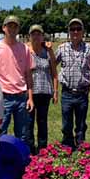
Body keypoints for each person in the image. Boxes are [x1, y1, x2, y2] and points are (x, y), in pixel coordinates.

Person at [0, 15, 34, 142]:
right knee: (0, 131)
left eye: (15, 26)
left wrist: (30, 98)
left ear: (18, 29)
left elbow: (28, 74)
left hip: (22, 97)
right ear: (3, 28)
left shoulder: (24, 49)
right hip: (2, 97)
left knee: (22, 133)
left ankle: (21, 159)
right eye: (9, 26)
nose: (12, 29)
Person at [56, 18, 90, 149]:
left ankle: (80, 145)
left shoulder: (89, 48)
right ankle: (67, 145)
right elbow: (51, 64)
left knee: (81, 123)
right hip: (67, 92)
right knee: (66, 123)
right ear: (68, 32)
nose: (75, 31)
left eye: (78, 29)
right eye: (72, 29)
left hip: (82, 93)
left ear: (83, 31)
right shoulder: (62, 48)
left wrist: (87, 80)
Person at [25, 24, 58, 154]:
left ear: (42, 36)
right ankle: (30, 150)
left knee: (42, 122)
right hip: (30, 93)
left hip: (45, 92)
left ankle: (42, 150)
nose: (36, 36)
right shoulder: (26, 51)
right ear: (29, 36)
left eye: (39, 34)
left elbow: (54, 72)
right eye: (33, 34)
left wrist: (55, 91)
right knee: (29, 123)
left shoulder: (47, 52)